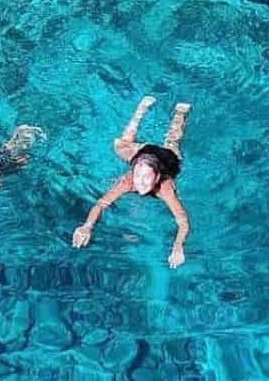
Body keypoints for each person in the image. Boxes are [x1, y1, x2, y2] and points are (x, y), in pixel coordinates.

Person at [72, 96, 191, 268]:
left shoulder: (164, 189)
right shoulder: (129, 181)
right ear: (132, 172)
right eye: (137, 176)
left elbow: (182, 222)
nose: (141, 183)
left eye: (146, 178)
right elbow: (101, 204)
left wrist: (178, 247)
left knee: (172, 142)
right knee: (120, 145)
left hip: (167, 159)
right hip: (143, 155)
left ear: (157, 177)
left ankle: (180, 113)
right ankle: (141, 110)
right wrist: (87, 226)